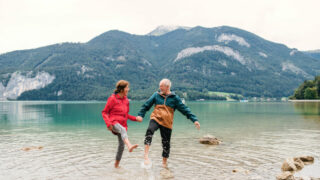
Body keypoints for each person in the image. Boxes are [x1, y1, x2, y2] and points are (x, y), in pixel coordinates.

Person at [137, 78, 200, 168]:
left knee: (166, 144)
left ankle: (164, 164)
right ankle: (146, 156)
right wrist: (140, 115)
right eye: (159, 86)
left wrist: (194, 120)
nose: (160, 88)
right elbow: (146, 105)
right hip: (156, 118)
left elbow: (185, 109)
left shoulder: (175, 98)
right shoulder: (156, 95)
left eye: (161, 86)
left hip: (167, 123)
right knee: (150, 130)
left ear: (167, 87)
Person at [102, 80, 142, 168]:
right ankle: (130, 145)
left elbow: (126, 115)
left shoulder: (126, 100)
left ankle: (116, 166)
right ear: (122, 89)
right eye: (127, 87)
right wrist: (108, 124)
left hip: (123, 124)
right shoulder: (112, 98)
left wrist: (135, 118)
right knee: (122, 130)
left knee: (121, 146)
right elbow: (104, 112)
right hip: (113, 123)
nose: (128, 89)